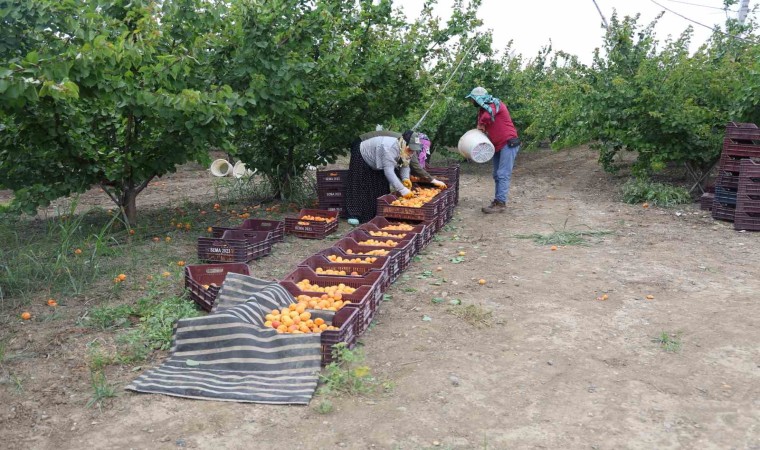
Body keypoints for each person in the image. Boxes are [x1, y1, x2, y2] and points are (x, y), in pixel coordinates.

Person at [345, 130, 447, 223]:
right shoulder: (390, 148)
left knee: (379, 185)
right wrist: (402, 189)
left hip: (378, 158)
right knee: (359, 183)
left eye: (414, 149)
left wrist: (405, 178)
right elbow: (389, 172)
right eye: (411, 148)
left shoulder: (407, 150)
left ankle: (372, 215)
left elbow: (405, 165)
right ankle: (354, 214)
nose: (412, 151)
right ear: (404, 143)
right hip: (362, 154)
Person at [465, 86, 520, 214]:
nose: (471, 102)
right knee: (496, 174)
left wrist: (481, 124)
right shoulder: (482, 110)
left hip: (508, 143)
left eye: (473, 99)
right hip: (497, 145)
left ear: (479, 99)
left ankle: (501, 203)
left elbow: (487, 116)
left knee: (503, 174)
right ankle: (497, 200)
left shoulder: (495, 104)